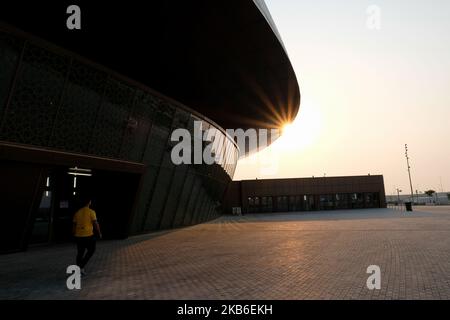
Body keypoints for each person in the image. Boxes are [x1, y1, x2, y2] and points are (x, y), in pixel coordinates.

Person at [72, 197, 102, 275]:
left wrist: (74, 234)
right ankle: (81, 267)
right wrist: (99, 233)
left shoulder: (77, 212)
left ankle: (79, 268)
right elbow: (95, 223)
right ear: (89, 202)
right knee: (92, 250)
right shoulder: (91, 212)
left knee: (80, 252)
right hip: (88, 235)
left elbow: (74, 225)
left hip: (78, 236)